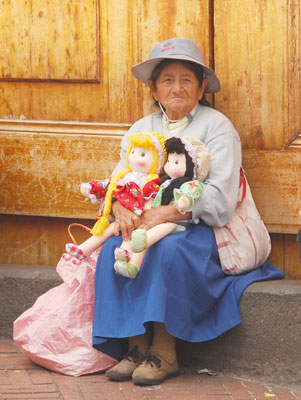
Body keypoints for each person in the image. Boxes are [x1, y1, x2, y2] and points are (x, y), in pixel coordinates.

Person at [92, 38, 284, 386]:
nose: (176, 88)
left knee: (167, 250)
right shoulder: (140, 130)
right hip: (146, 223)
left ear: (201, 87)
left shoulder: (218, 127)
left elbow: (220, 201)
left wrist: (165, 214)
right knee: (111, 249)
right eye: (167, 79)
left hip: (202, 228)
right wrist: (118, 205)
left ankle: (164, 353)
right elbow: (120, 179)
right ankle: (134, 347)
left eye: (186, 80)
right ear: (153, 87)